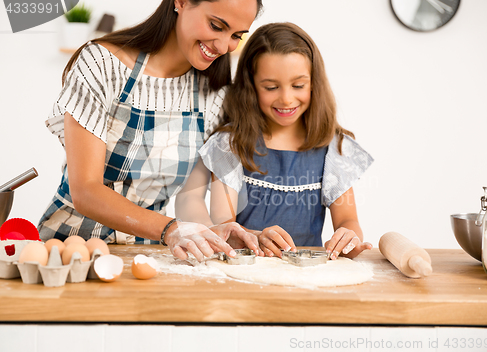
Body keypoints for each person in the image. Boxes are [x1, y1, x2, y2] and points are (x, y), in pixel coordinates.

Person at [37, 0, 264, 262]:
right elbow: (86, 191)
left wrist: (215, 234)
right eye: (216, 26)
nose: (224, 47)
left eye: (236, 35)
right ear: (180, 2)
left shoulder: (213, 95)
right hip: (65, 252)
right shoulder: (102, 64)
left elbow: (190, 201)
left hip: (147, 257)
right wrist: (169, 228)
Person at [177, 22, 374, 260]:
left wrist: (348, 237)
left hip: (307, 280)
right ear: (251, 86)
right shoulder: (230, 145)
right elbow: (224, 227)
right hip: (246, 273)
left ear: (314, 83)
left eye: (298, 85)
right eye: (271, 87)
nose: (287, 98)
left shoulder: (334, 148)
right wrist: (256, 236)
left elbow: (347, 220)